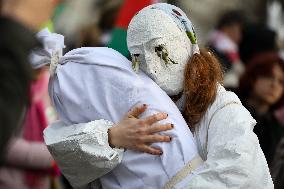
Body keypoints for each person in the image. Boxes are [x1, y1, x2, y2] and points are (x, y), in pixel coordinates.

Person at [43, 3, 272, 189]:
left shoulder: (223, 109)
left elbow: (237, 173)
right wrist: (111, 137)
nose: (151, 66)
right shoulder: (137, 103)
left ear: (186, 42)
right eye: (137, 56)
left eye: (160, 50)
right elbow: (65, 155)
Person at [238, 51, 284, 166]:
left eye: (281, 82)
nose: (274, 85)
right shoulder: (227, 100)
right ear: (253, 77)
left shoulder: (276, 130)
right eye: (269, 76)